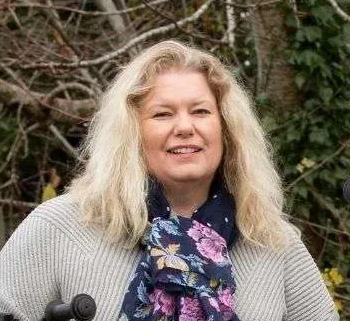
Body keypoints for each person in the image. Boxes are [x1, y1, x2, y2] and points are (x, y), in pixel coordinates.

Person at [0, 40, 338, 321]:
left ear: (227, 129)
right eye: (163, 114)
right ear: (132, 132)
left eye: (200, 111)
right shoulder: (61, 227)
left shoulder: (271, 240)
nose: (185, 127)